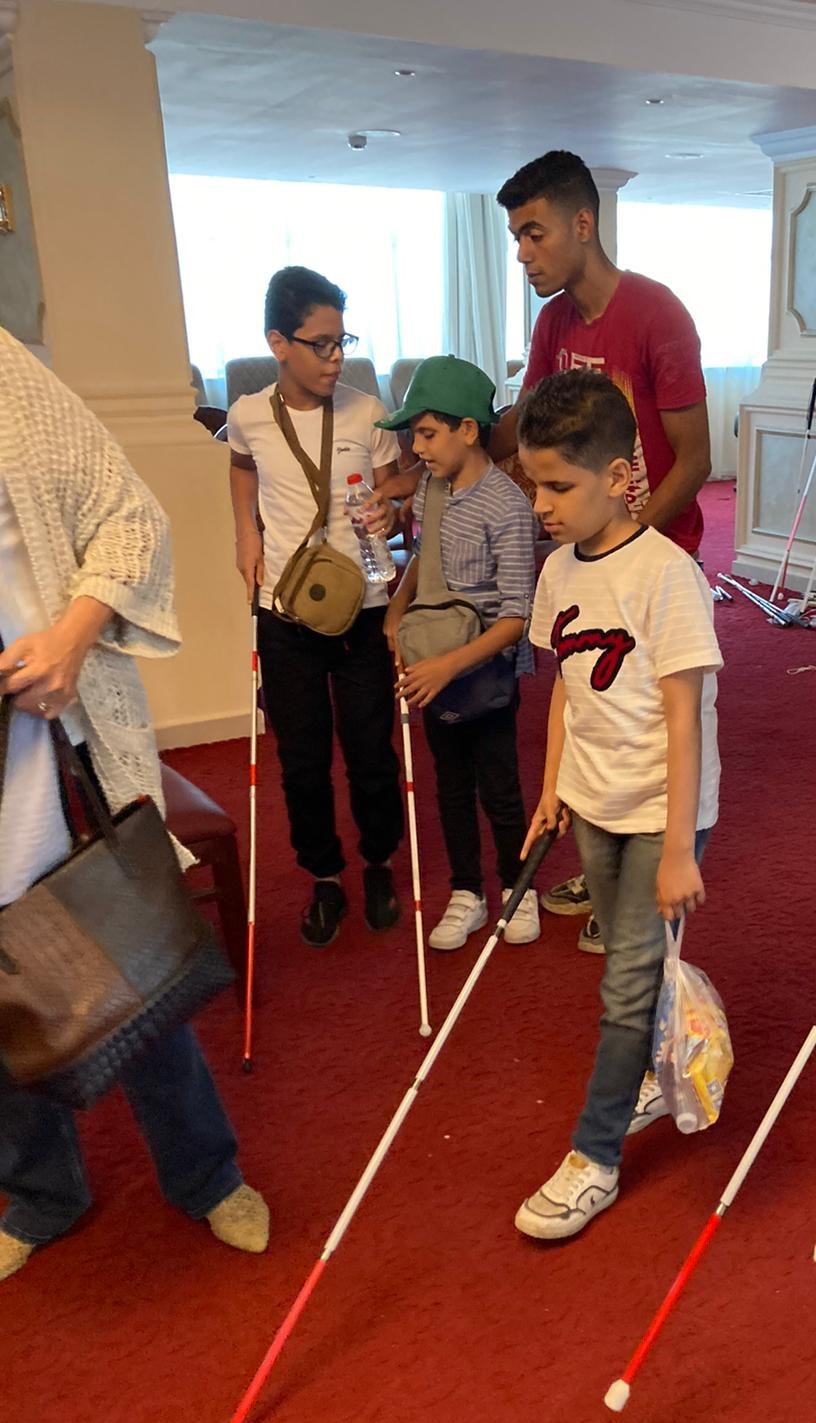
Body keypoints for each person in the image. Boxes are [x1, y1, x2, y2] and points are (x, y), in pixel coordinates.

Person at [0, 325, 268, 1284]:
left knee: (130, 969)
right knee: (1, 1008)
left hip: (53, 737)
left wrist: (74, 634)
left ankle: (206, 1173)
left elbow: (126, 515)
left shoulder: (4, 373)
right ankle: (42, 1195)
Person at [512, 370, 721, 1241]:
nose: (542, 505)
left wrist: (679, 847)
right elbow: (564, 686)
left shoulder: (667, 576)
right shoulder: (560, 570)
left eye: (559, 485)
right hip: (592, 803)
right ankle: (645, 1070)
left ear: (618, 474)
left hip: (660, 812)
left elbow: (685, 715)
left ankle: (593, 1156)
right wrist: (553, 789)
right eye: (533, 484)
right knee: (623, 966)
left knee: (628, 982)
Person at [493, 150, 713, 953]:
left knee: (653, 718)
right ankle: (605, 857)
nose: (524, 253)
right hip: (592, 554)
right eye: (517, 238)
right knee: (589, 703)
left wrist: (629, 547)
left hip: (652, 553)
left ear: (583, 224)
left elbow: (694, 457)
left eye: (533, 233)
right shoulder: (552, 323)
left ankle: (650, 864)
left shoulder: (658, 315)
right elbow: (527, 427)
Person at [227, 266, 405, 947]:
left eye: (343, 342)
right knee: (300, 756)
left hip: (362, 604)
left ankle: (380, 860)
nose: (336, 358)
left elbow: (396, 486)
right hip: (286, 611)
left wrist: (392, 505)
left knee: (370, 749)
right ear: (278, 342)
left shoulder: (367, 411)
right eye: (321, 344)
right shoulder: (248, 416)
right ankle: (325, 876)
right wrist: (245, 531)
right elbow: (241, 467)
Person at [379, 356, 539, 950]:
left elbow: (516, 617)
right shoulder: (430, 490)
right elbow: (425, 560)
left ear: (468, 429)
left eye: (426, 433)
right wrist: (397, 612)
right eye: (412, 435)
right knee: (449, 783)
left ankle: (518, 888)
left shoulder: (507, 506)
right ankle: (466, 891)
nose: (416, 447)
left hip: (484, 668)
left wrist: (448, 664)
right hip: (433, 659)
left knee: (497, 783)